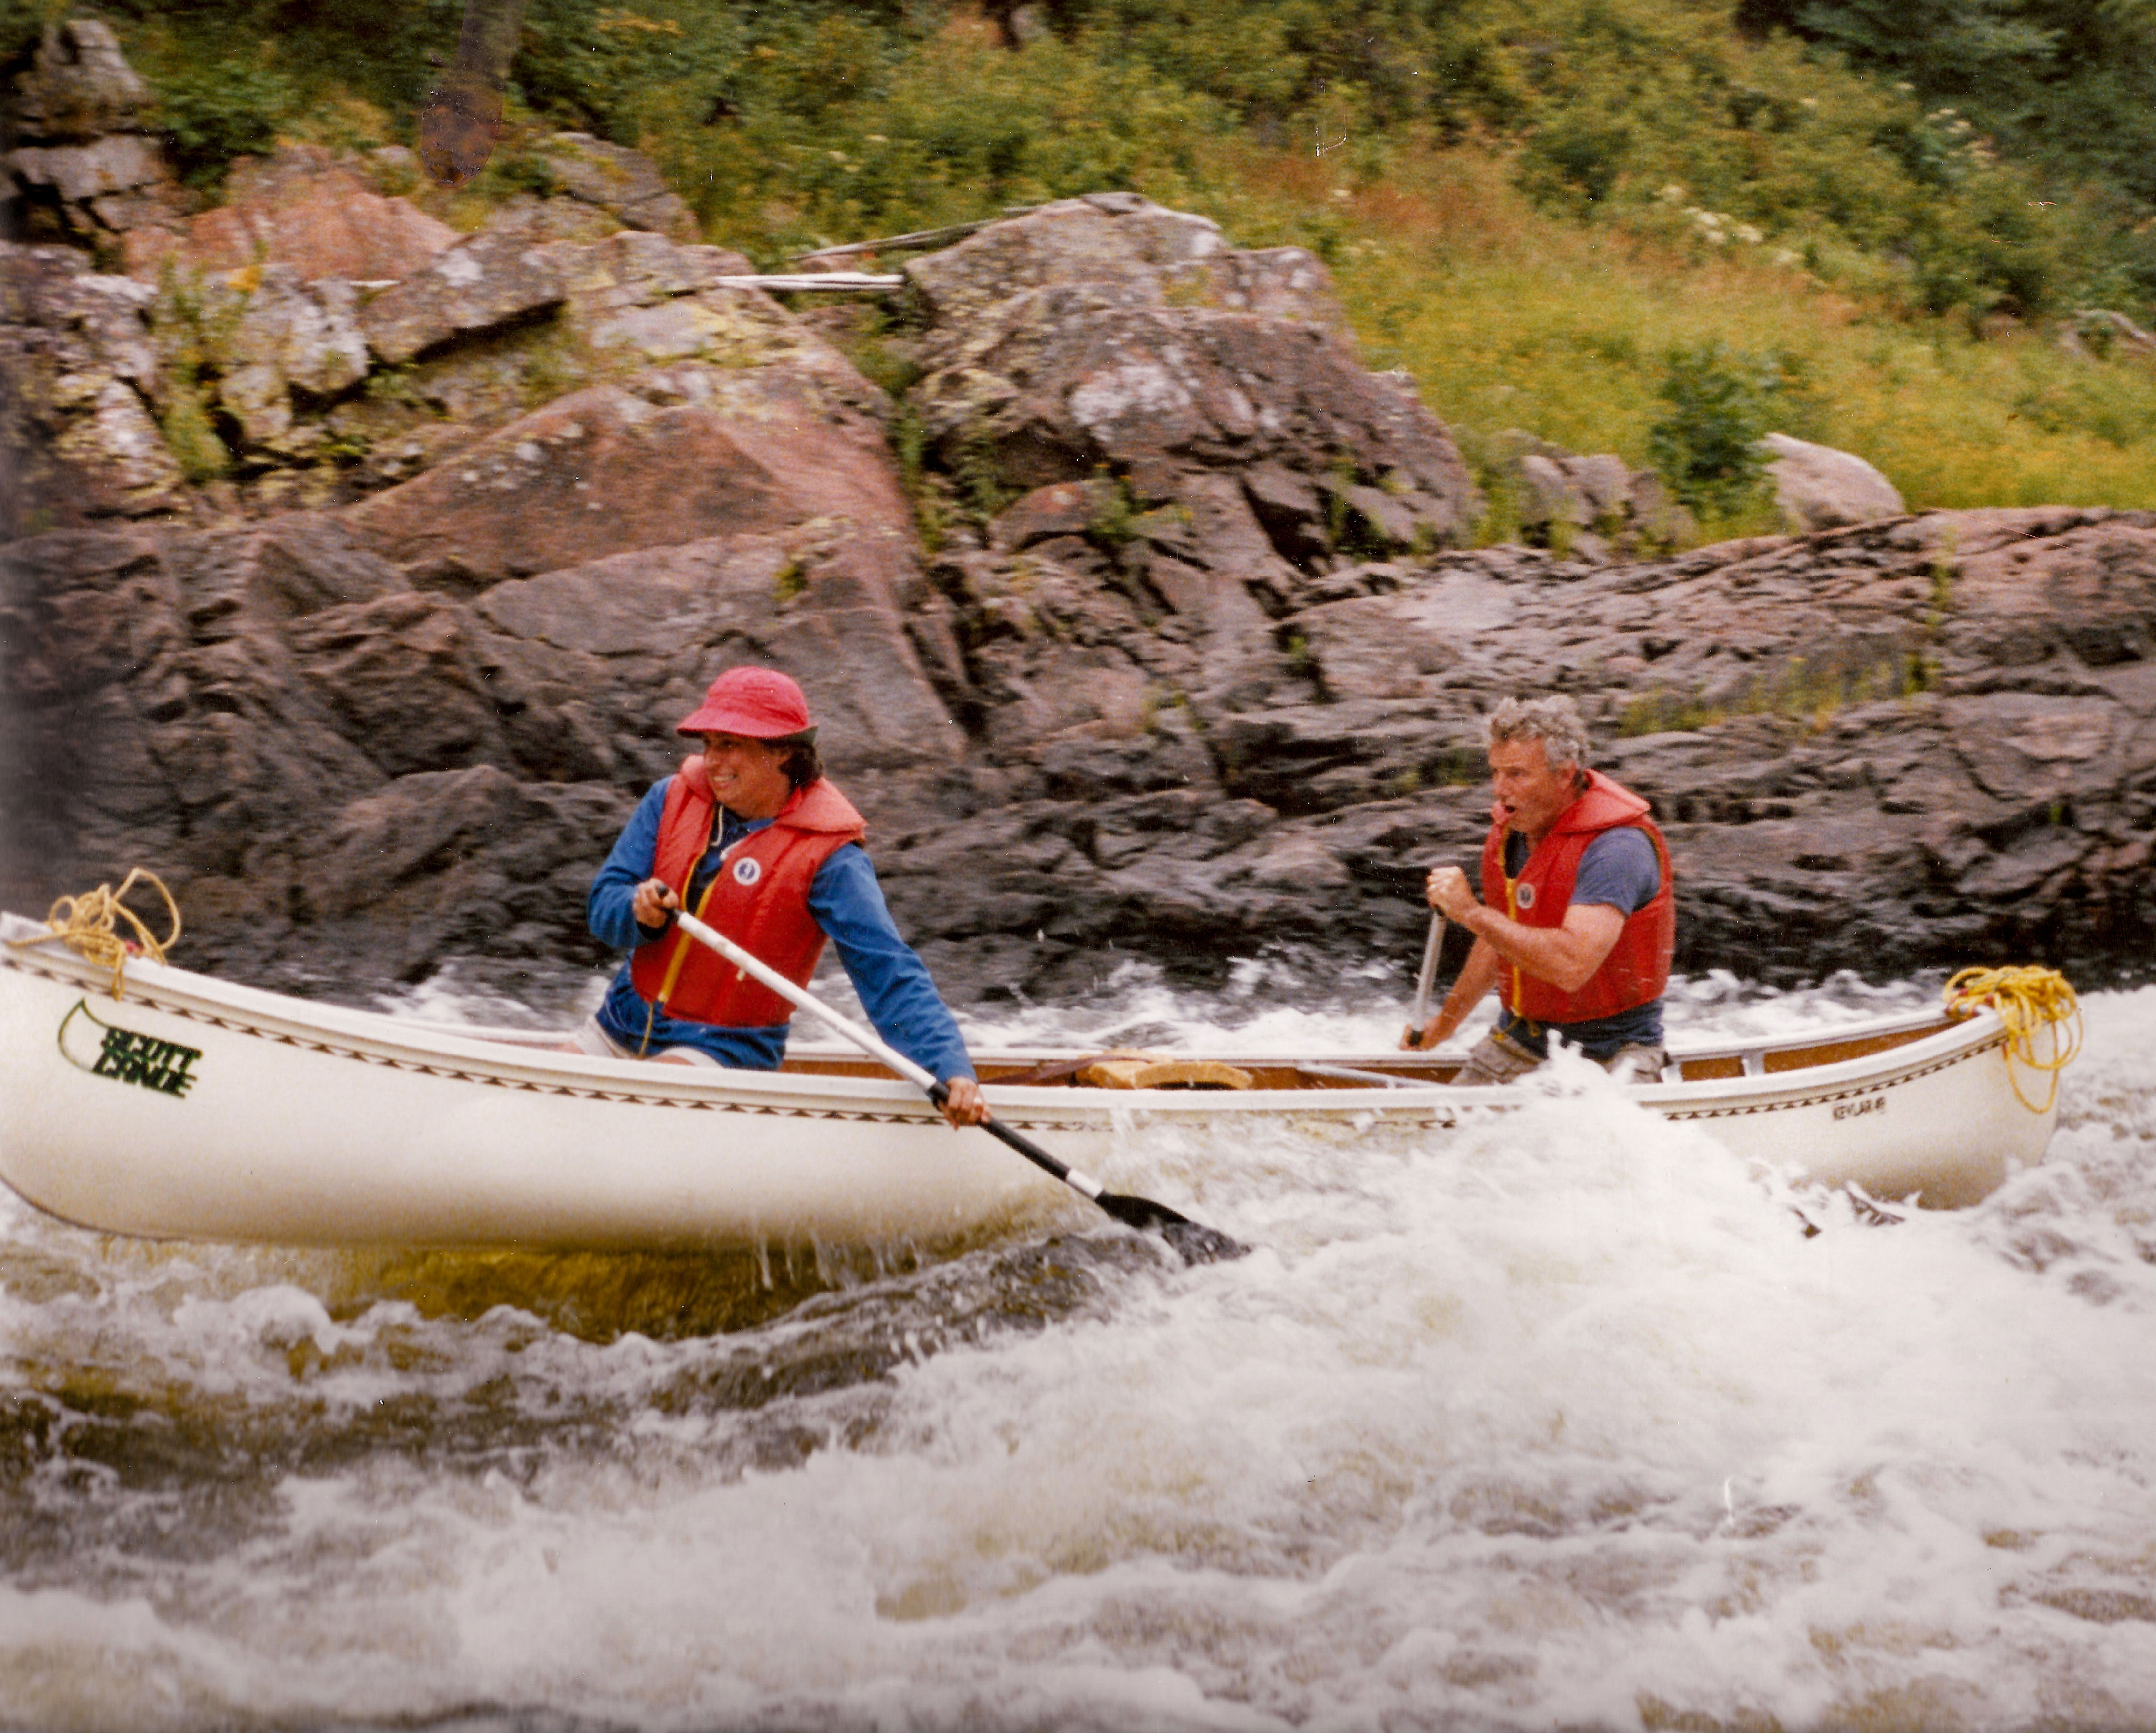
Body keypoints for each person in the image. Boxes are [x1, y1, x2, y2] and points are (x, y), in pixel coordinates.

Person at [577, 665, 990, 1130]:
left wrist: (948, 1067)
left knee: (645, 1096)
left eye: (729, 744)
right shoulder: (668, 798)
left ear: (783, 752)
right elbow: (602, 905)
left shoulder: (832, 858)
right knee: (561, 1074)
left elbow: (888, 969)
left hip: (723, 1049)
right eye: (708, 743)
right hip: (621, 1021)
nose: (712, 760)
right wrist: (637, 912)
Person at [1402, 694, 1674, 1084]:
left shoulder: (1618, 847)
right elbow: (1498, 938)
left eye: (1516, 774)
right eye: (1496, 772)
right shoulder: (1513, 833)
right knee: (1447, 1119)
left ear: (1564, 775)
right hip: (1523, 1039)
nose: (1499, 789)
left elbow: (1571, 966)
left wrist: (1471, 913)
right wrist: (1444, 1025)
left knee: (1597, 1125)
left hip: (1617, 1049)